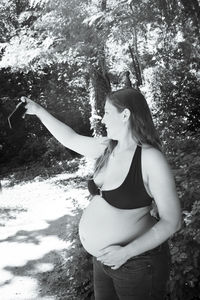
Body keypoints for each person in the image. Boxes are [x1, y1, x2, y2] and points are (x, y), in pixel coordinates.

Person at [22, 88, 181, 300]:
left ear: (125, 115)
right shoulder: (107, 147)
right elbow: (70, 138)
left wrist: (126, 252)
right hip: (103, 260)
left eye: (107, 112)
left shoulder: (150, 159)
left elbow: (172, 221)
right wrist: (38, 110)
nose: (103, 119)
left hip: (138, 262)